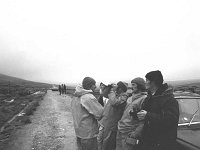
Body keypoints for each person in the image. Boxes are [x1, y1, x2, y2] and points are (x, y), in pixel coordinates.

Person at [137, 70, 179, 150]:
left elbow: (171, 120)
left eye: (147, 80)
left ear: (153, 82)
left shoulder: (169, 100)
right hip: (148, 141)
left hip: (160, 143)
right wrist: (137, 113)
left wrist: (147, 115)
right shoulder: (150, 97)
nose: (145, 82)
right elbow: (146, 114)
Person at [71, 77, 104, 150]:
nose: (95, 86)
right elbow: (100, 113)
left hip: (79, 131)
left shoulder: (76, 96)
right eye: (94, 84)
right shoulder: (88, 97)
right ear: (90, 85)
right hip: (88, 134)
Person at [116, 77, 147, 150]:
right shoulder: (130, 98)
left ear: (140, 86)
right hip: (121, 129)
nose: (131, 87)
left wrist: (136, 132)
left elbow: (144, 119)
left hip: (130, 132)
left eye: (133, 85)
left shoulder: (144, 99)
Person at [99, 81, 128, 150]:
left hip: (111, 125)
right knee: (100, 141)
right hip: (105, 122)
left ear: (120, 89)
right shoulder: (115, 94)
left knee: (107, 144)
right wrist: (108, 87)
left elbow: (114, 103)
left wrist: (112, 90)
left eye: (118, 87)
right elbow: (103, 94)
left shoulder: (124, 96)